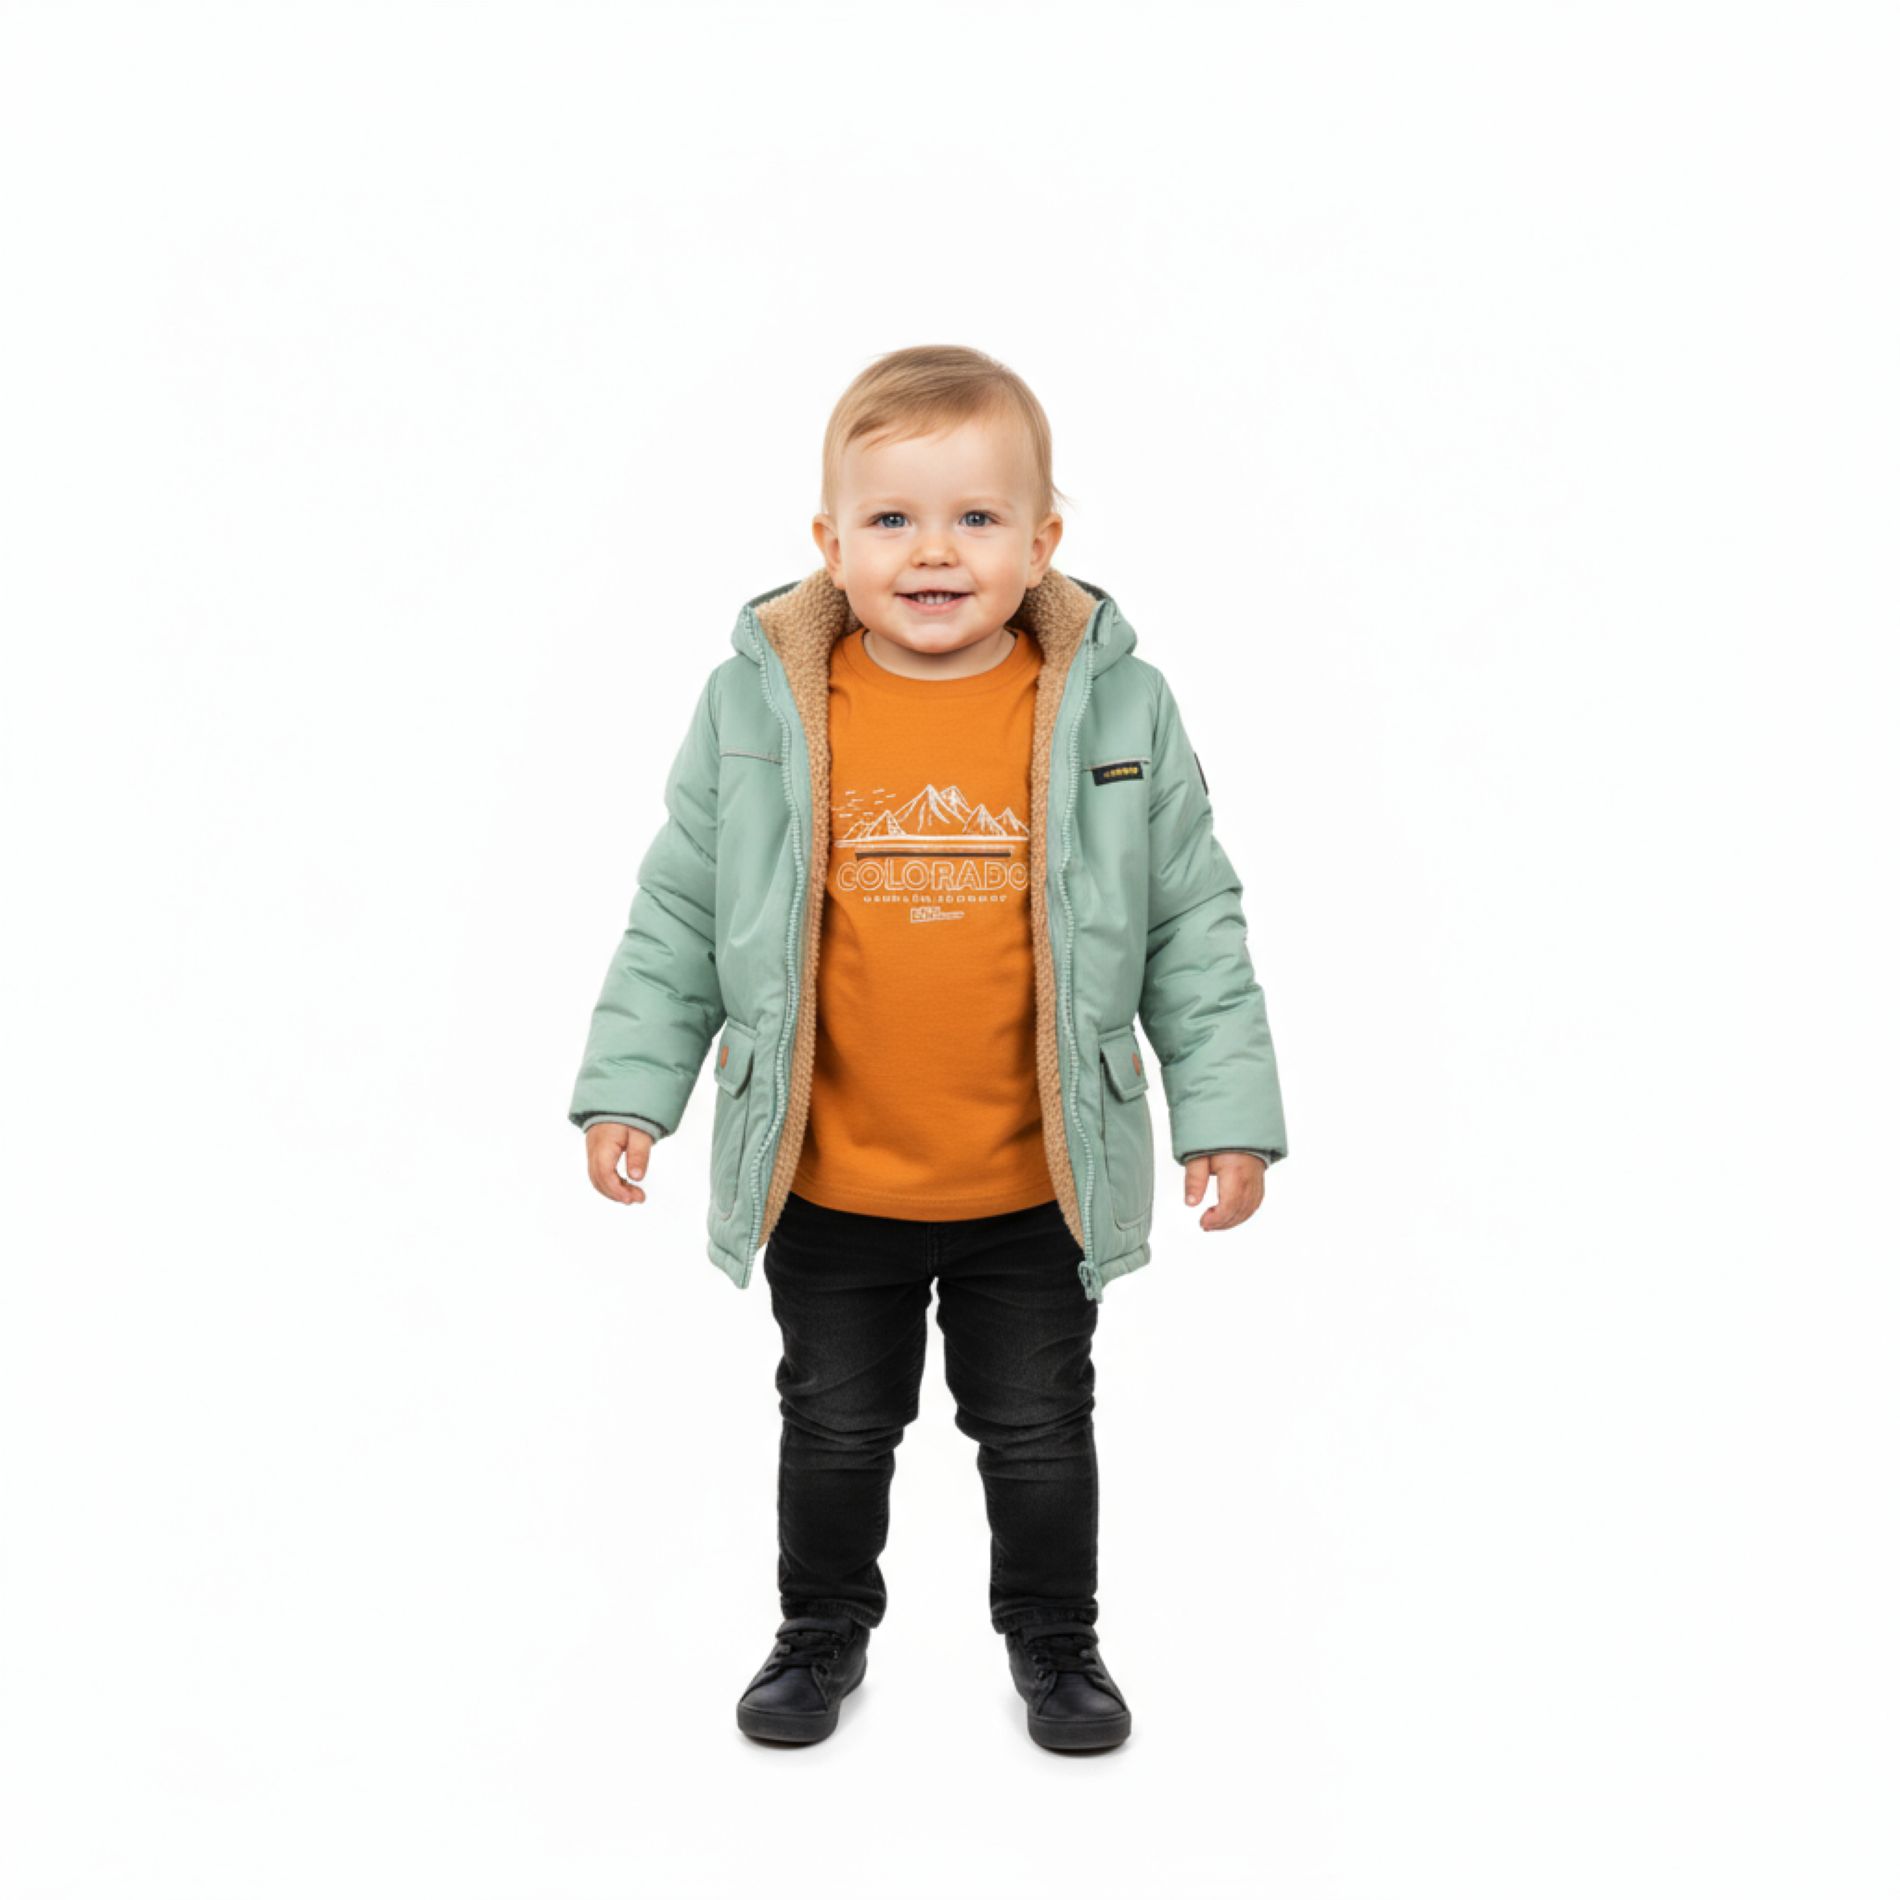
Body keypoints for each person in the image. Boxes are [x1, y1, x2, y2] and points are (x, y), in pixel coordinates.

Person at [568, 344, 1289, 1751]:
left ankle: (1058, 1642)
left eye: (976, 517)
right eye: (892, 519)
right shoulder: (762, 706)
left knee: (1038, 1430)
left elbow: (1193, 919)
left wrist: (1226, 1114)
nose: (934, 551)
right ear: (830, 543)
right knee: (834, 1430)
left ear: (1043, 542)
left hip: (1037, 1182)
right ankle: (820, 1628)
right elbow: (683, 907)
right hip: (832, 1179)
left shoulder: (1118, 707)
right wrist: (631, 1093)